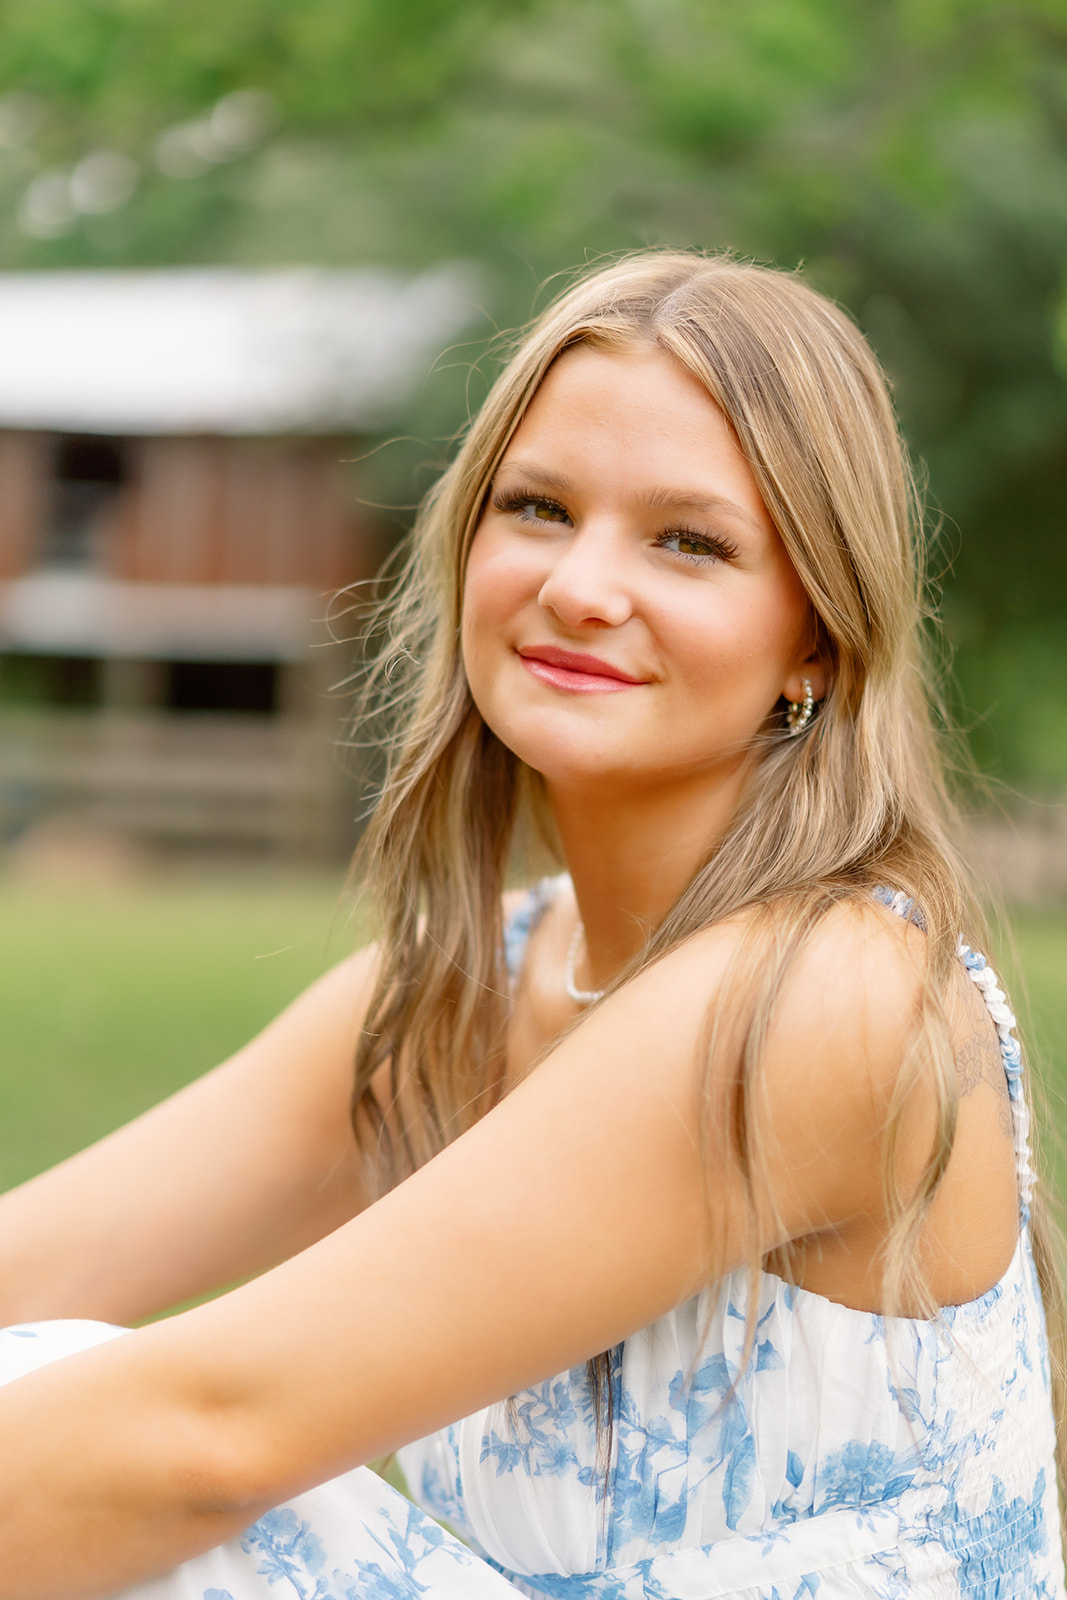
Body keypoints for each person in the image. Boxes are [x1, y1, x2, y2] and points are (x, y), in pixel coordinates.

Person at [0, 250, 1061, 1600]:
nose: (581, 586)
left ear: (816, 640)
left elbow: (212, 1439)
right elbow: (35, 1261)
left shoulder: (825, 995)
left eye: (689, 541)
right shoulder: (474, 981)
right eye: (540, 508)